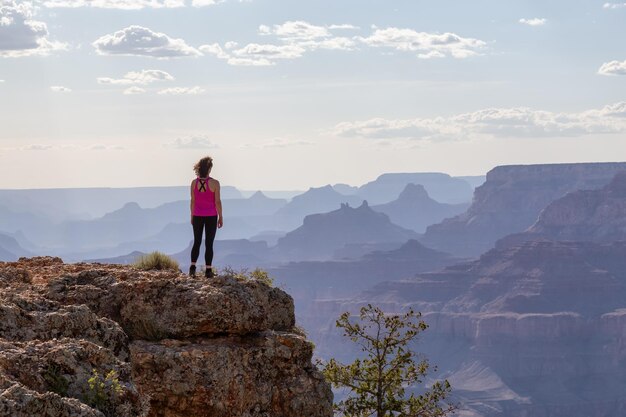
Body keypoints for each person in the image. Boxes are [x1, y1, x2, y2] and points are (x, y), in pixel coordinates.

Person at [189, 156, 223, 278]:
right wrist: (221, 217)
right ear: (209, 169)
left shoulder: (194, 183)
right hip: (211, 216)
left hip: (197, 215)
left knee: (197, 242)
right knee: (209, 243)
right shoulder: (215, 183)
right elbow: (217, 202)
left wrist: (192, 216)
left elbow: (192, 201)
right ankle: (208, 271)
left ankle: (192, 268)